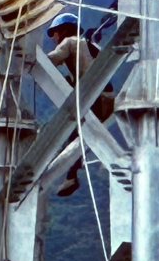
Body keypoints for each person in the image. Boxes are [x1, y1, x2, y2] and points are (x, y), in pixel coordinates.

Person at [46, 12, 114, 196]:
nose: (53, 38)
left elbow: (51, 60)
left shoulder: (70, 43)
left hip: (94, 98)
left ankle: (71, 175)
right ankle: (72, 173)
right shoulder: (92, 46)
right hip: (107, 99)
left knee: (70, 132)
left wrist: (30, 59)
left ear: (65, 30)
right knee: (78, 136)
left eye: (54, 33)